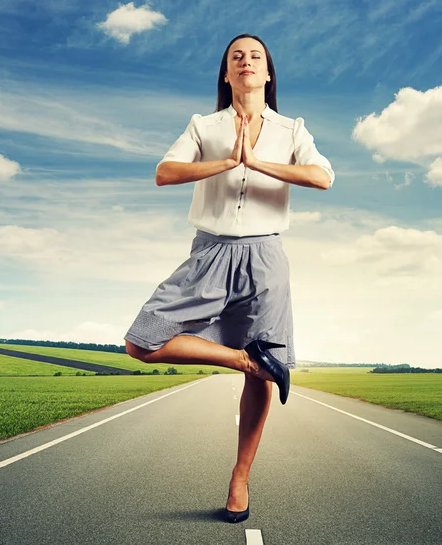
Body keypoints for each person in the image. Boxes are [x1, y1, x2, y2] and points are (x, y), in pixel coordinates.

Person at [123, 33, 335, 523]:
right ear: (226, 73)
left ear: (267, 73)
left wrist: (257, 162)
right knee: (142, 341)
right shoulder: (204, 126)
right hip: (209, 251)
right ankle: (244, 358)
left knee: (263, 374)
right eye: (235, 57)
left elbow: (323, 176)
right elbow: (164, 171)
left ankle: (240, 479)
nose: (245, 62)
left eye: (254, 57)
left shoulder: (291, 129)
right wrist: (227, 160)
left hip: (266, 256)